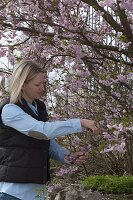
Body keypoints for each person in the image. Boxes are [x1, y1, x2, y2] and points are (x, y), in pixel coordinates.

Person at [0, 60, 100, 200]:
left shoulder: (39, 108)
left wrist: (68, 157)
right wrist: (80, 123)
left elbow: (47, 142)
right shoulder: (10, 110)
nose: (42, 88)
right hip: (13, 193)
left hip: (38, 192)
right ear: (22, 84)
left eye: (44, 83)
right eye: (37, 84)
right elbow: (42, 132)